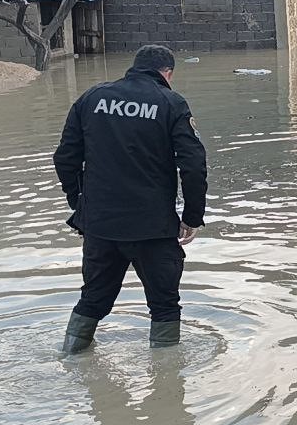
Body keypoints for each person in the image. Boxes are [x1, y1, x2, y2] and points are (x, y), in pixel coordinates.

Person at [53, 45, 208, 352]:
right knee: (164, 306)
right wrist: (192, 218)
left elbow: (65, 158)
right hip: (153, 227)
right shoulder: (170, 102)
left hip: (101, 226)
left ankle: (70, 358)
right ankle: (167, 386)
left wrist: (80, 204)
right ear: (168, 74)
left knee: (93, 298)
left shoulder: (92, 98)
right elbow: (192, 166)